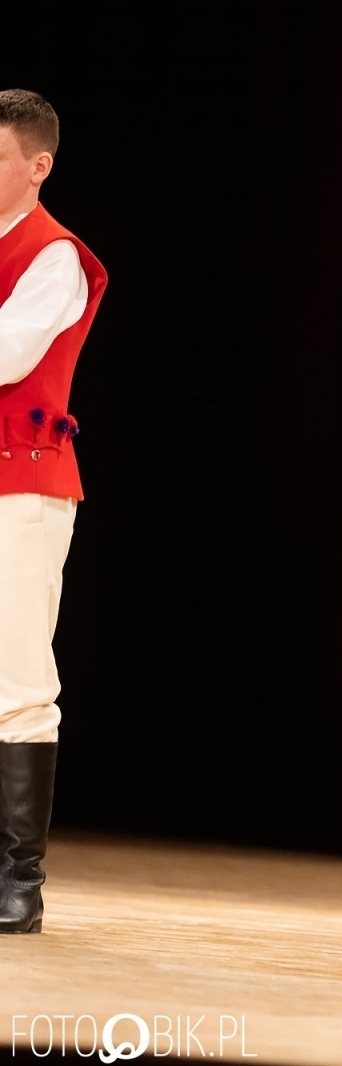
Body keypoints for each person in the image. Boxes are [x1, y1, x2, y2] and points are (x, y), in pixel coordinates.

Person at [0, 89, 108, 934]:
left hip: (23, 483)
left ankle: (17, 881)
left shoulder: (55, 255)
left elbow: (7, 356)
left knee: (18, 682)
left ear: (38, 166)